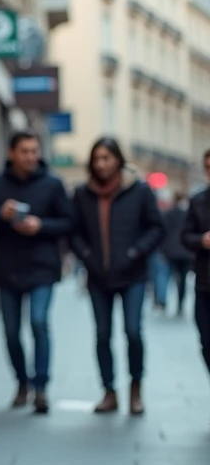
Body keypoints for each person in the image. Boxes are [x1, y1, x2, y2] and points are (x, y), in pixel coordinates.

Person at [0, 130, 74, 414]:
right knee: (11, 332)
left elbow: (68, 222)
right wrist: (0, 214)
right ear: (11, 153)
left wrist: (41, 225)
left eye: (34, 151)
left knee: (39, 323)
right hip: (7, 268)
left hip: (42, 266)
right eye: (24, 151)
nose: (30, 156)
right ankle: (22, 382)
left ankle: (41, 387)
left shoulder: (53, 184)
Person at [70, 138, 164, 416]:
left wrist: (136, 251)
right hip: (98, 276)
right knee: (102, 335)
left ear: (118, 160)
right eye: (97, 158)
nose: (101, 164)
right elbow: (73, 231)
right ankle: (109, 391)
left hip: (132, 274)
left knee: (133, 332)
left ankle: (136, 388)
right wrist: (86, 255)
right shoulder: (83, 193)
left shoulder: (139, 191)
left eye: (106, 158)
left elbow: (156, 228)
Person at [181, 151, 210, 384]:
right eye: (208, 167)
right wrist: (201, 240)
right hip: (204, 282)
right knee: (207, 341)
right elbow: (185, 236)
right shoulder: (198, 200)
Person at [162, 192, 194, 315]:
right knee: (182, 280)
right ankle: (180, 302)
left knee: (166, 277)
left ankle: (162, 300)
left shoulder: (169, 214)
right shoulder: (187, 213)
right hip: (185, 252)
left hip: (171, 251)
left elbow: (163, 232)